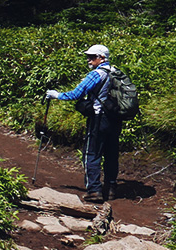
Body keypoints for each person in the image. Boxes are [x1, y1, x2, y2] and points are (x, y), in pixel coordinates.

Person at [46, 44, 121, 203]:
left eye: (92, 56)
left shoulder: (96, 74)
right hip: (115, 119)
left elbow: (76, 94)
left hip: (98, 118)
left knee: (92, 153)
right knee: (111, 154)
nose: (89, 59)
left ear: (101, 58)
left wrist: (56, 95)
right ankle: (111, 189)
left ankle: (94, 191)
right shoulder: (116, 72)